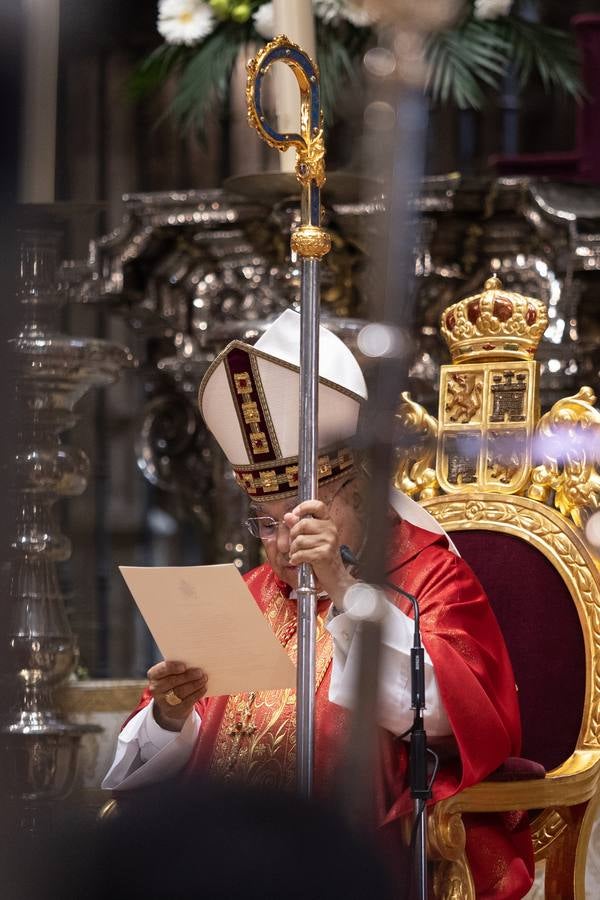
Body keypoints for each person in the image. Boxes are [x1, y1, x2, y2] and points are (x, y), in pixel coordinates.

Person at [104, 310, 534, 899]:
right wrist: (170, 717)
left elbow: (443, 716)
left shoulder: (431, 577)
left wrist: (341, 585)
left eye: (303, 518)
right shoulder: (252, 591)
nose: (282, 545)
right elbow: (171, 753)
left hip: (352, 866)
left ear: (356, 492)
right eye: (265, 522)